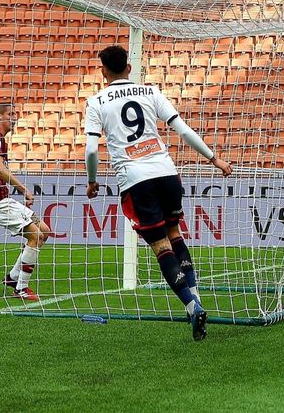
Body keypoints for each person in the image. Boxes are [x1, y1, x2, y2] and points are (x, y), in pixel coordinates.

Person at [84, 45, 233, 341]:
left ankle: (192, 306)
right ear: (128, 67)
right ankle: (195, 296)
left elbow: (91, 149)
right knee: (175, 234)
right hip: (166, 173)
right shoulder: (151, 92)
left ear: (104, 71)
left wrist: (92, 181)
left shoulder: (97, 101)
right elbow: (183, 130)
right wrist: (213, 158)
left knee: (161, 247)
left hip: (136, 179)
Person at [0, 103, 52, 301]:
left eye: (15, 114)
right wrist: (23, 189)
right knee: (35, 236)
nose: (14, 117)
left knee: (44, 231)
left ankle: (12, 277)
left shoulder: (1, 139)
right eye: (10, 114)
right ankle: (21, 288)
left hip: (5, 198)